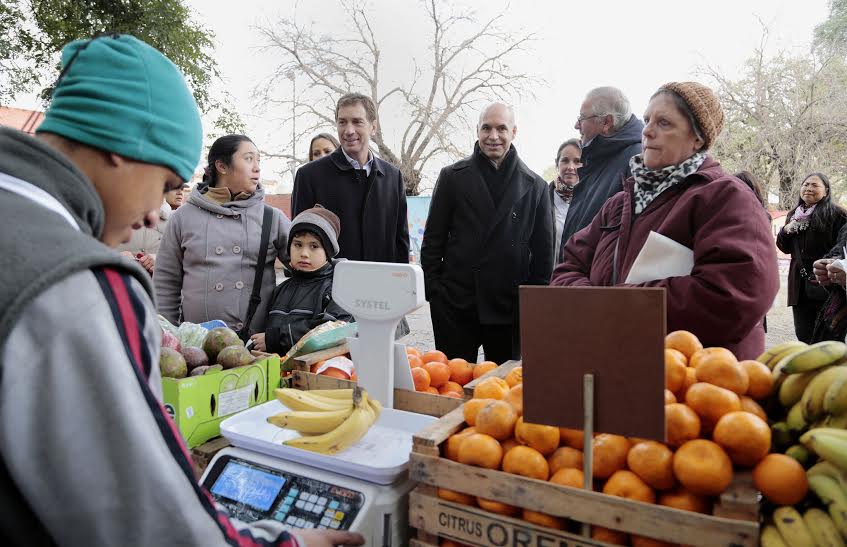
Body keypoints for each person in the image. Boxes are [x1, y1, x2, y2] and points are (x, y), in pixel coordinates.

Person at [0, 33, 362, 547]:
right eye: (165, 182)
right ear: (123, 146)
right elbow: (145, 521)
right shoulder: (79, 284)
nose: (155, 214)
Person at [552, 82, 779, 360]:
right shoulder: (619, 203)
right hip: (621, 364)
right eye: (647, 120)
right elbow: (568, 267)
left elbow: (736, 296)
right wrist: (594, 304)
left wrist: (618, 306)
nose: (647, 130)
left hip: (700, 383)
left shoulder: (726, 199)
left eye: (664, 123)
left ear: (697, 139)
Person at [420, 102, 555, 364]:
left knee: (502, 392)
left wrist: (530, 307)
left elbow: (543, 256)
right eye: (487, 128)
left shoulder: (536, 186)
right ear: (477, 131)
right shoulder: (451, 177)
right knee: (451, 386)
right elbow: (432, 242)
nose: (493, 136)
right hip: (456, 306)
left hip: (508, 310)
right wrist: (436, 294)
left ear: (513, 132)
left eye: (501, 128)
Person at [155, 134, 291, 336]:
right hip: (196, 349)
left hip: (257, 349)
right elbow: (166, 281)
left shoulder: (272, 218)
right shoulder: (183, 217)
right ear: (222, 166)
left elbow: (311, 269)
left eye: (258, 160)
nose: (257, 167)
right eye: (248, 158)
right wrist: (168, 336)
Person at [291, 93, 410, 263]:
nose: (348, 131)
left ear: (373, 127)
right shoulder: (309, 176)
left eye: (357, 122)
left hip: (383, 284)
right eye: (342, 122)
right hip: (330, 286)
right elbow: (299, 242)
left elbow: (401, 242)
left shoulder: (393, 177)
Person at [250, 206, 354, 354]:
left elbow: (332, 330)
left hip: (315, 371)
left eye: (314, 246)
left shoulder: (337, 289)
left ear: (328, 252)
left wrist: (276, 340)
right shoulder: (281, 289)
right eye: (298, 245)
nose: (304, 253)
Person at [558, 87, 644, 256]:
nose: (576, 125)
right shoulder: (598, 158)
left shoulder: (636, 161)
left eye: (582, 118)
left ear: (607, 122)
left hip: (596, 280)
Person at [777, 172, 847, 342]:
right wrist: (786, 230)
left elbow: (843, 247)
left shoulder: (838, 215)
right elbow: (784, 248)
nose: (808, 188)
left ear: (826, 191)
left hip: (827, 286)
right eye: (806, 184)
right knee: (803, 335)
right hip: (799, 288)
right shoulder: (794, 215)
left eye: (815, 185)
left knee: (829, 340)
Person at [117, 198, 172, 274]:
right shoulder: (111, 210)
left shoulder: (174, 218)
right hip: (120, 277)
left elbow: (181, 259)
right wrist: (115, 257)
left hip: (156, 280)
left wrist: (160, 260)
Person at [549, 138, 581, 262]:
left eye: (577, 161)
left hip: (576, 279)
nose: (570, 167)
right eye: (565, 161)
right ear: (557, 164)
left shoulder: (594, 202)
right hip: (545, 279)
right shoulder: (541, 199)